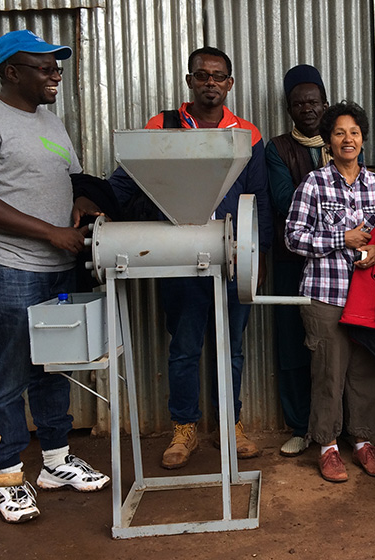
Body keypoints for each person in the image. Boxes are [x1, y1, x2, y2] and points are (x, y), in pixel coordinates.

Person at [0, 29, 110, 524]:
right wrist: (49, 232)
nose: (55, 74)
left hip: (58, 266)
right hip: (10, 267)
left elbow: (65, 182)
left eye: (57, 67)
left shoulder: (51, 121)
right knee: (8, 372)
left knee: (54, 365)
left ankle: (56, 461)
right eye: (44, 67)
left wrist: (80, 202)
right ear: (11, 72)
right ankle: (6, 474)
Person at [107, 46, 271, 469]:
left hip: (233, 255)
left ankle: (229, 424)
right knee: (184, 347)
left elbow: (260, 201)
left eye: (218, 76)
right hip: (179, 255)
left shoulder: (247, 133)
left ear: (230, 84)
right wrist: (96, 199)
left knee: (231, 347)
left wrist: (259, 254)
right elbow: (131, 180)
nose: (210, 83)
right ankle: (184, 429)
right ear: (190, 81)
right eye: (202, 76)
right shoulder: (164, 126)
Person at [285, 101, 375, 483]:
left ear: (363, 139)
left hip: (371, 297)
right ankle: (327, 446)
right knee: (328, 373)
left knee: (367, 370)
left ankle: (364, 442)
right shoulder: (314, 183)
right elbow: (293, 237)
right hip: (326, 294)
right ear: (328, 141)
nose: (347, 139)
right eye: (339, 133)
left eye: (354, 132)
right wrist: (343, 237)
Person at [265, 64, 329, 457]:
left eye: (313, 100)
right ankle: (299, 426)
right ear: (288, 107)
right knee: (291, 343)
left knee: (332, 348)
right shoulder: (277, 149)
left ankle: (331, 428)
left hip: (335, 263)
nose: (307, 108)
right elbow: (284, 202)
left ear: (325, 101)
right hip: (291, 260)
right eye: (298, 102)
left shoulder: (343, 139)